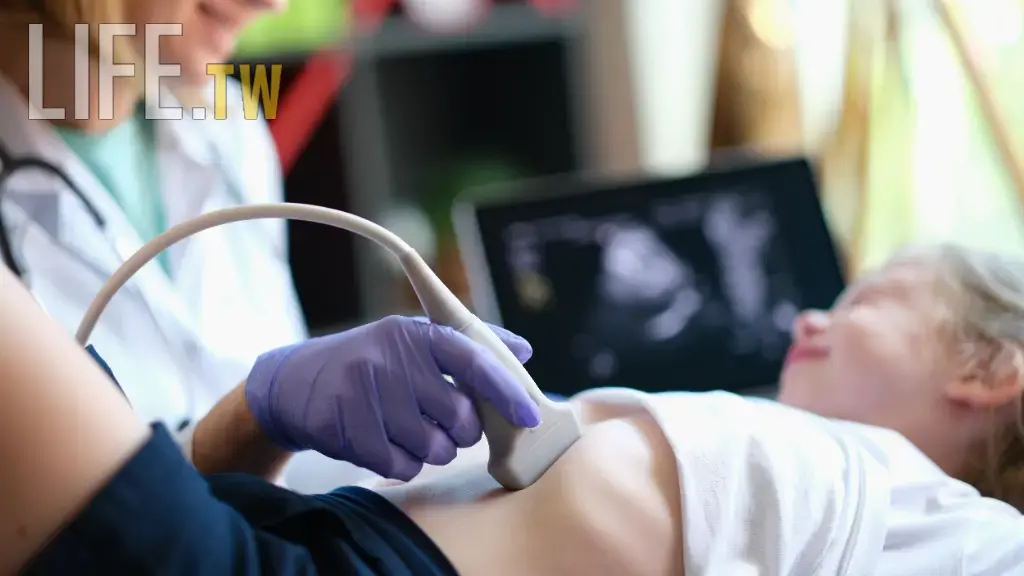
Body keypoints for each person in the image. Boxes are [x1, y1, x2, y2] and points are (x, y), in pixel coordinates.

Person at [7, 242, 1024, 574]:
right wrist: (258, 418)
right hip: (271, 536)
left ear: (990, 366)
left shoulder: (963, 533)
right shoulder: (814, 474)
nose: (808, 315)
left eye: (870, 300)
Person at [0, 0, 541, 487]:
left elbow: (296, 482)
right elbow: (73, 532)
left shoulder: (227, 123)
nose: (273, 5)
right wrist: (250, 420)